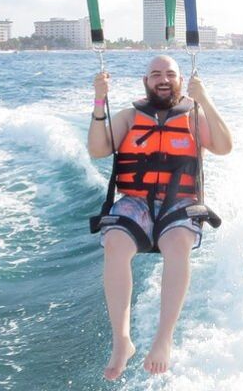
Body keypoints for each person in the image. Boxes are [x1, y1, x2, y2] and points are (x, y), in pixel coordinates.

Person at [88, 55, 232, 380]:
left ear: (181, 81)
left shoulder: (194, 116)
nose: (163, 79)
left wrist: (204, 98)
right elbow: (98, 149)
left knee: (178, 243)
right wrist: (100, 100)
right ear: (145, 82)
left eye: (170, 74)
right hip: (135, 202)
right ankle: (121, 340)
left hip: (178, 202)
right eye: (156, 74)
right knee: (114, 243)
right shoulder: (128, 116)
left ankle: (163, 338)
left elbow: (224, 146)